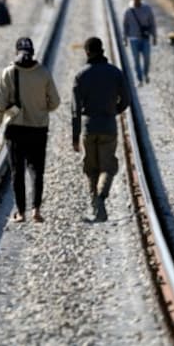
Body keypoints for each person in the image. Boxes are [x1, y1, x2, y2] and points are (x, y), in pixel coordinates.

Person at [0, 37, 60, 223]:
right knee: (37, 170)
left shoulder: (8, 72)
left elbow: (0, 104)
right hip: (38, 129)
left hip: (15, 129)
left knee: (17, 171)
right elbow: (55, 102)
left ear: (16, 51)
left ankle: (21, 212)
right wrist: (40, 108)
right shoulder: (43, 73)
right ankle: (36, 210)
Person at [72, 37, 129, 222]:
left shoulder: (81, 76)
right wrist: (113, 111)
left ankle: (97, 207)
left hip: (89, 127)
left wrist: (75, 136)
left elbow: (75, 110)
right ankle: (101, 197)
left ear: (87, 52)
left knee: (91, 169)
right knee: (108, 167)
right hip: (108, 126)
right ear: (102, 50)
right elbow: (126, 100)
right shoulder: (115, 73)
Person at [122, 0, 157, 86]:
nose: (136, 1)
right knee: (136, 60)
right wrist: (124, 38)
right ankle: (139, 78)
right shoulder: (128, 10)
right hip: (133, 39)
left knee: (147, 58)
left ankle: (145, 74)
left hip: (145, 38)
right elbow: (125, 25)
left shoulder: (147, 9)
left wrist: (154, 36)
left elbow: (152, 23)